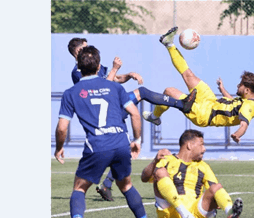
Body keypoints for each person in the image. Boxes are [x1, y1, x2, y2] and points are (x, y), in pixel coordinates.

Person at [68, 37, 196, 201]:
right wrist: (114, 68)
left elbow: (114, 79)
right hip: (104, 114)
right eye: (85, 47)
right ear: (78, 51)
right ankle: (180, 105)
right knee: (122, 143)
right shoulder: (77, 72)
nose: (89, 49)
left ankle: (107, 184)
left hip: (112, 107)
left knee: (140, 96)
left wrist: (129, 74)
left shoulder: (93, 64)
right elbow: (102, 88)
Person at [54, 45, 154, 218]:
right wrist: (137, 140)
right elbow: (134, 114)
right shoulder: (115, 87)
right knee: (126, 186)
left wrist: (59, 148)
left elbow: (61, 128)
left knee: (79, 188)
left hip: (97, 146)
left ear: (79, 67)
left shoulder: (71, 92)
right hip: (120, 142)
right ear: (99, 67)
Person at [143, 27, 254, 143]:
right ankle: (169, 44)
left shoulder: (249, 107)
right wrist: (223, 90)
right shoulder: (245, 100)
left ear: (247, 90)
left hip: (204, 114)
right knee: (189, 75)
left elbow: (244, 125)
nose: (237, 85)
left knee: (169, 91)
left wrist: (237, 135)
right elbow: (233, 104)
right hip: (210, 100)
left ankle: (154, 117)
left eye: (240, 85)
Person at [140, 129, 243, 218]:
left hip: (195, 215)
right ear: (189, 145)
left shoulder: (203, 166)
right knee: (159, 172)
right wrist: (155, 160)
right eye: (201, 144)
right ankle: (184, 214)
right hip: (169, 213)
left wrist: (219, 201)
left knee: (217, 187)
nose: (204, 149)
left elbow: (215, 191)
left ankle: (230, 212)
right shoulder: (167, 159)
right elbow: (144, 178)